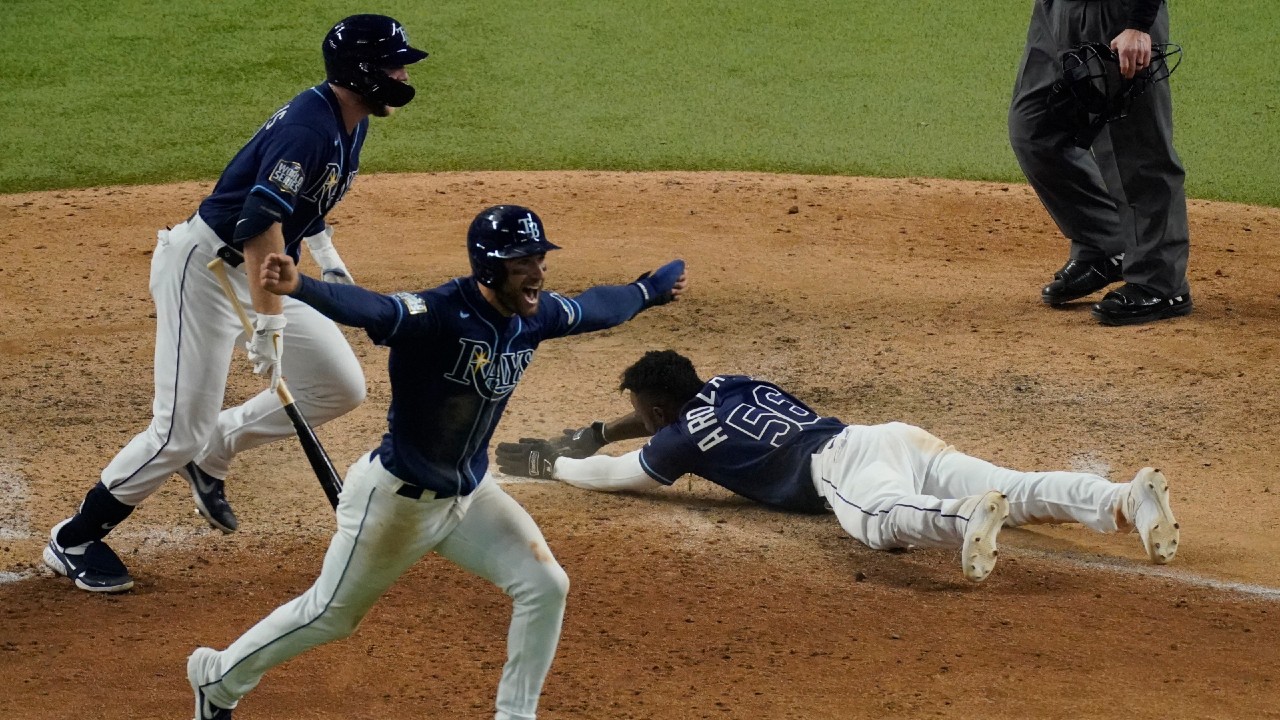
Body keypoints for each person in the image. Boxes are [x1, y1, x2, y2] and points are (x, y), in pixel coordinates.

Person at [186, 205, 688, 720]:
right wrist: (302, 286)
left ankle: (515, 715)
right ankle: (218, 679)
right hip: (397, 504)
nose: (538, 274)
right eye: (524, 263)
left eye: (540, 259)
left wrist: (647, 291)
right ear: (491, 267)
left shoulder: (529, 320)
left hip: (469, 495)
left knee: (544, 585)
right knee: (331, 616)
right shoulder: (440, 315)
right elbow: (375, 309)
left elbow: (596, 308)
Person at [42, 15, 428, 593]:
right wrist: (269, 329)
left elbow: (309, 199)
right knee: (177, 432)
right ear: (363, 72)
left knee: (338, 386)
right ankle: (73, 538)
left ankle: (216, 449)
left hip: (269, 270)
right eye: (394, 64)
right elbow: (258, 222)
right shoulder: (309, 129)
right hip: (207, 272)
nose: (402, 74)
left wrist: (327, 257)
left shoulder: (350, 119)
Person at [495, 350, 1180, 583]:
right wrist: (596, 429)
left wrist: (555, 464)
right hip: (889, 438)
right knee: (1019, 487)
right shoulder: (731, 383)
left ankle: (962, 519)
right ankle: (1126, 500)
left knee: (880, 523)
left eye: (642, 413)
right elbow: (659, 420)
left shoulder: (679, 440)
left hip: (836, 470)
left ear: (658, 408)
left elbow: (619, 475)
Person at [1008, 0, 1191, 325]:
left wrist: (1139, 22)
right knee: (1035, 127)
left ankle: (1160, 281)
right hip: (1056, 12)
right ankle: (1104, 241)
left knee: (1138, 152)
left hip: (1120, 14)